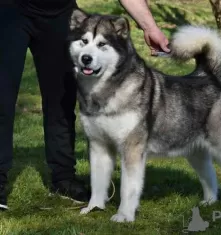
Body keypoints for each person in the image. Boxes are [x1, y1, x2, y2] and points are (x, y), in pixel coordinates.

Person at [0, 0, 170, 211]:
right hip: (9, 11)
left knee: (62, 100)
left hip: (60, 14)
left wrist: (150, 27)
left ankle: (64, 179)